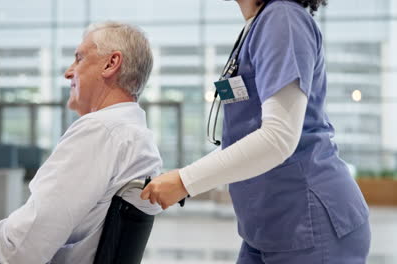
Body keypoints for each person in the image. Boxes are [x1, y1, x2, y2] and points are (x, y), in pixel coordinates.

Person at [141, 0, 371, 263]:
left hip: (308, 223)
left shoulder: (282, 19)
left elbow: (278, 138)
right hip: (269, 226)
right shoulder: (258, 25)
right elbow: (245, 138)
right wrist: (182, 178)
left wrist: (185, 181)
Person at [0, 21, 162, 264]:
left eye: (79, 59)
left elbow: (23, 246)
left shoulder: (100, 131)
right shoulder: (137, 137)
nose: (69, 72)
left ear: (111, 64)